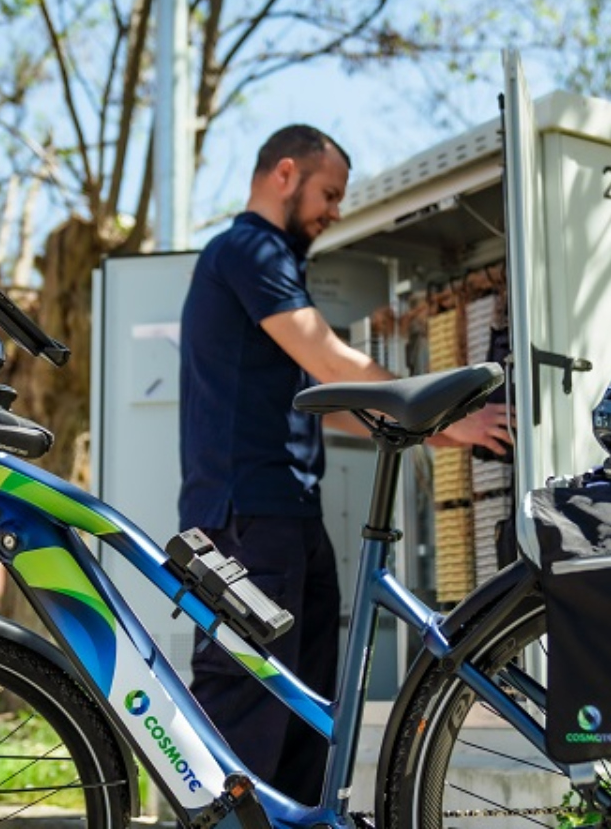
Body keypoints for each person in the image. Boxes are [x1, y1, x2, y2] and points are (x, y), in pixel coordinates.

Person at [178, 124, 512, 803]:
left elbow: (321, 404)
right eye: (329, 193)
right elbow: (331, 363)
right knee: (249, 708)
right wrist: (444, 412)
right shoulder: (247, 248)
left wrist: (444, 436)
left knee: (306, 709)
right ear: (285, 173)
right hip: (248, 518)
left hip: (288, 516)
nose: (334, 210)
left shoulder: (268, 261)